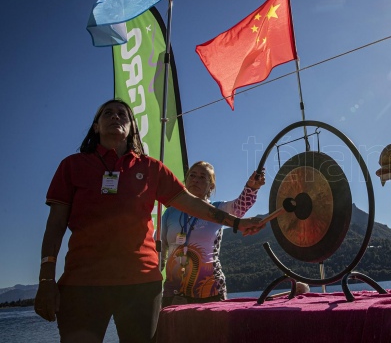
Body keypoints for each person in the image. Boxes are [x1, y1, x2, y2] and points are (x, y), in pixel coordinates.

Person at [33, 99, 264, 343]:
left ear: (132, 127)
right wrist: (46, 279)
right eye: (107, 113)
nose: (115, 117)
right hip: (82, 285)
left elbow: (194, 204)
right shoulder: (72, 166)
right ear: (96, 127)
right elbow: (55, 226)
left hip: (141, 286)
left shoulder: (151, 168)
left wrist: (236, 223)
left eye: (122, 114)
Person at [161, 161, 265, 306]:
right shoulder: (169, 212)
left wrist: (251, 188)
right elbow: (160, 251)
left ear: (211, 186)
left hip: (210, 290)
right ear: (185, 180)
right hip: (173, 292)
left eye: (202, 177)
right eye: (192, 175)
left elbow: (239, 207)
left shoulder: (217, 208)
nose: (196, 179)